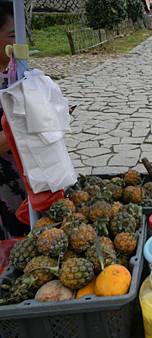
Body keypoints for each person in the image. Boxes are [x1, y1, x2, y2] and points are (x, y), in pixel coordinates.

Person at [0, 0, 29, 238]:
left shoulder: (12, 75)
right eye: (13, 35)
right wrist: (26, 128)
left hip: (23, 176)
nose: (19, 42)